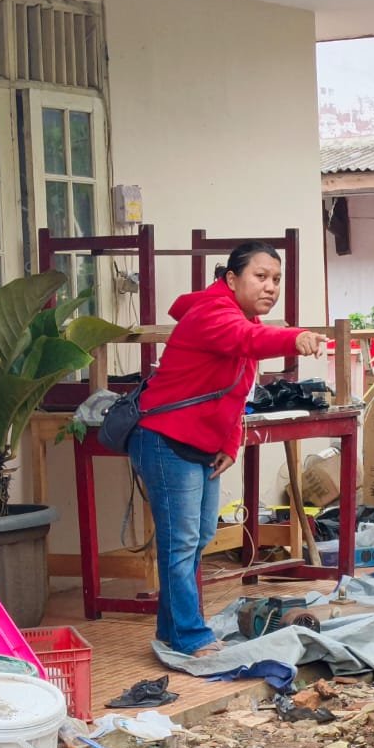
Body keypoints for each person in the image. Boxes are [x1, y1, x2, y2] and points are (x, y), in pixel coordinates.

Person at [131, 242, 326, 657]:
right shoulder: (212, 312)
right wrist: (296, 338)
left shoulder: (242, 316)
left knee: (198, 537)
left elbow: (237, 391)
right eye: (261, 276)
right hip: (166, 440)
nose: (271, 286)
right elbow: (249, 340)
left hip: (201, 445)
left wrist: (229, 443)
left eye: (276, 279)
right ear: (232, 279)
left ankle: (172, 630)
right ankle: (189, 636)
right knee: (181, 543)